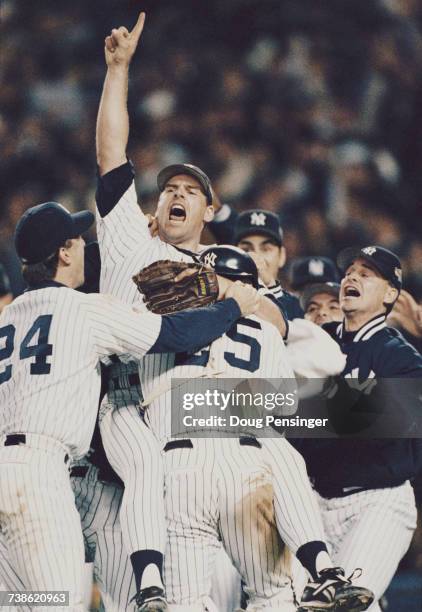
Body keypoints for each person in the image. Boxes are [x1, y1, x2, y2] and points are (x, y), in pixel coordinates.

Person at [95, 12, 285, 611]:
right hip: (119, 397)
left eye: (191, 190)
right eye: (169, 187)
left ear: (211, 210)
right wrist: (118, 72)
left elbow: (277, 323)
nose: (176, 194)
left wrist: (247, 299)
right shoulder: (131, 238)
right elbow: (110, 151)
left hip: (183, 423)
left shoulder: (224, 268)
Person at [0, 201, 259, 611]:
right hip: (40, 477)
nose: (86, 247)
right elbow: (172, 335)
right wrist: (232, 308)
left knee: (21, 602)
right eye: (79, 241)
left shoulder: (7, 318)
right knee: (63, 604)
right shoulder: (83, 310)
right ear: (64, 253)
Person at [140, 245, 374, 612]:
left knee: (185, 603)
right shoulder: (264, 332)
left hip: (179, 465)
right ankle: (323, 569)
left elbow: (147, 390)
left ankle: (322, 570)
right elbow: (282, 405)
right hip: (245, 463)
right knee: (273, 596)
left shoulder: (168, 325)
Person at [300, 245, 422, 612]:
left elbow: (390, 417)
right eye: (349, 271)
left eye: (366, 274)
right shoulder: (315, 342)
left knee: (344, 607)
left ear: (389, 295)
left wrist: (307, 409)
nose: (351, 277)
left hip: (376, 502)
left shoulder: (398, 356)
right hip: (315, 505)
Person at [210, 206, 303, 320]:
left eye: (266, 249)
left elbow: (288, 332)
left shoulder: (298, 306)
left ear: (282, 256)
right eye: (246, 249)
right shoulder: (220, 297)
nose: (256, 256)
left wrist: (270, 285)